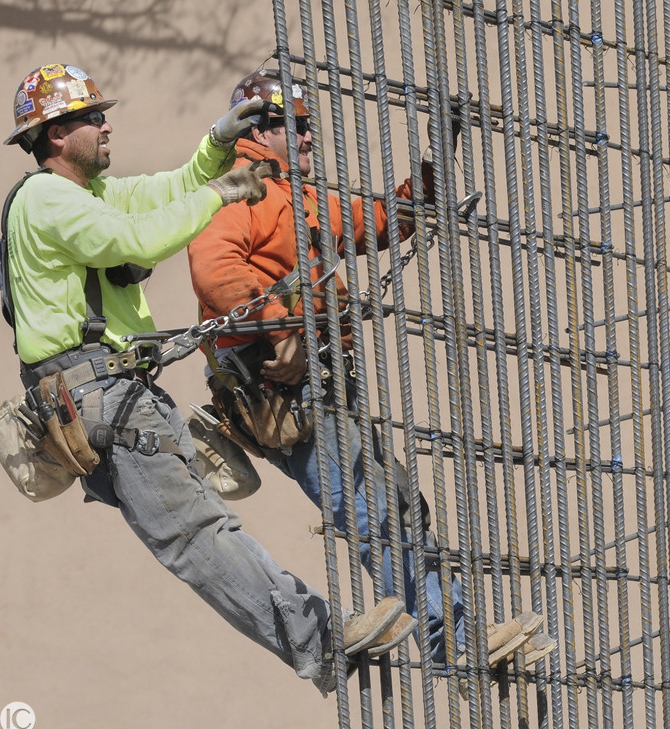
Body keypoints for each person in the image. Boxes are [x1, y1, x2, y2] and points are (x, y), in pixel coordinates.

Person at [0, 63, 414, 696]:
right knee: (196, 536)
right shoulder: (46, 199)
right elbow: (134, 239)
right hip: (98, 392)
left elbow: (169, 189)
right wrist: (221, 195)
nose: (107, 126)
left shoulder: (87, 193)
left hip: (119, 392)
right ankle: (320, 640)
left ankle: (322, 639)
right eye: (93, 117)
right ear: (56, 134)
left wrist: (217, 146)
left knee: (198, 530)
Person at [186, 69, 555, 669]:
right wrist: (284, 331)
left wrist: (437, 159)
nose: (309, 136)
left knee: (397, 503)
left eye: (309, 125)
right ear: (257, 130)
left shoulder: (299, 197)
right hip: (277, 387)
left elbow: (384, 218)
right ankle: (455, 644)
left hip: (320, 380)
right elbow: (216, 272)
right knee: (371, 510)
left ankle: (457, 631)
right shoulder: (240, 194)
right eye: (294, 126)